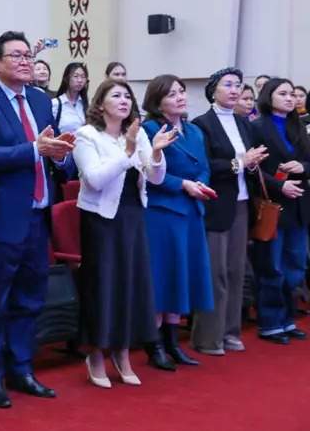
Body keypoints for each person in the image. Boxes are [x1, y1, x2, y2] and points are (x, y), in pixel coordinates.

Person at [0, 31, 75, 408]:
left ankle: (22, 368)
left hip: (38, 215)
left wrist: (58, 155)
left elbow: (50, 150)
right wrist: (34, 149)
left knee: (30, 297)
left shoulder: (42, 101)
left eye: (28, 55)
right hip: (0, 216)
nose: (26, 61)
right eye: (16, 56)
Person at [74, 79, 175, 388]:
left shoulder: (140, 132)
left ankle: (122, 352)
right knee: (102, 287)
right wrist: (127, 150)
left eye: (127, 96)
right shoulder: (86, 135)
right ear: (100, 102)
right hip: (101, 220)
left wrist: (156, 154)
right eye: (116, 95)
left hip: (132, 215)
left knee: (131, 286)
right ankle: (95, 353)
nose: (124, 100)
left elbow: (156, 178)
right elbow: (94, 180)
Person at [190, 68, 267, 356]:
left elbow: (247, 160)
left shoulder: (242, 122)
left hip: (242, 202)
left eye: (238, 85)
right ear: (213, 90)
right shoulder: (202, 124)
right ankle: (208, 337)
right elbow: (205, 165)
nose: (235, 90)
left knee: (236, 271)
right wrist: (239, 162)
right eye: (228, 85)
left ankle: (231, 331)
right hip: (216, 204)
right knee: (215, 272)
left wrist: (252, 162)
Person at [141, 74, 214, 370]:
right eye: (172, 94)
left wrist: (200, 184)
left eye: (181, 92)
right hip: (163, 212)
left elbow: (205, 167)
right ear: (157, 101)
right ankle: (154, 344)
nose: (180, 97)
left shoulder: (195, 130)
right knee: (163, 278)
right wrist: (183, 184)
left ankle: (173, 342)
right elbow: (149, 171)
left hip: (192, 209)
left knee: (181, 276)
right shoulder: (150, 128)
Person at [249, 77, 310, 345]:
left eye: (292, 94)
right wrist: (279, 186)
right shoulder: (257, 127)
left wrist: (303, 168)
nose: (290, 98)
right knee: (271, 266)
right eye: (282, 93)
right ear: (269, 96)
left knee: (295, 267)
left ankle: (287, 319)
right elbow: (254, 169)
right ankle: (271, 323)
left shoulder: (299, 126)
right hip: (274, 203)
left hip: (300, 205)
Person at [52, 62, 89, 135]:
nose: (80, 80)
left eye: (83, 77)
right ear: (67, 78)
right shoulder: (56, 104)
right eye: (76, 76)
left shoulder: (85, 104)